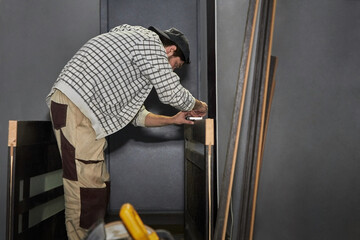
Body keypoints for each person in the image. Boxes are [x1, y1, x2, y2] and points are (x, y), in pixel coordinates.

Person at [45, 24, 207, 240]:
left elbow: (136, 116)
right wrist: (198, 105)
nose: (171, 71)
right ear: (170, 50)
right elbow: (171, 93)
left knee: (98, 182)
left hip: (83, 110)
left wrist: (173, 119)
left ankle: (94, 235)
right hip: (76, 106)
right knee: (85, 186)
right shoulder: (149, 42)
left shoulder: (133, 54)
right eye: (175, 66)